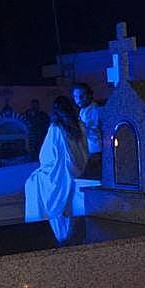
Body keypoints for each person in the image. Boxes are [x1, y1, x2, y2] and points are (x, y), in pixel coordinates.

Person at [24, 96, 89, 243]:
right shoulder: (80, 125)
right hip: (76, 170)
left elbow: (47, 156)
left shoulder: (55, 128)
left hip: (59, 172)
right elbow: (84, 151)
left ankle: (58, 234)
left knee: (32, 184)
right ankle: (64, 234)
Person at [72, 83, 102, 179]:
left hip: (96, 151)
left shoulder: (96, 110)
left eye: (82, 95)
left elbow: (95, 132)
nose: (79, 99)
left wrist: (80, 126)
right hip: (87, 151)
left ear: (89, 95)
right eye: (76, 96)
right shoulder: (82, 111)